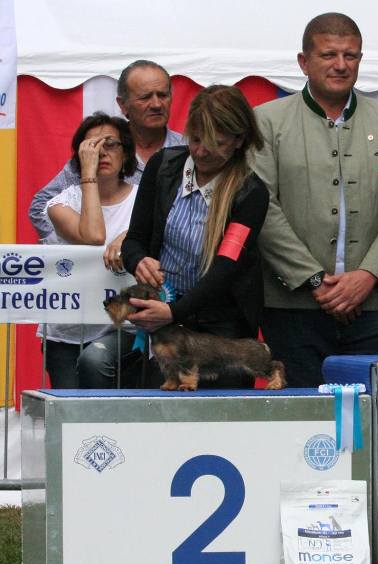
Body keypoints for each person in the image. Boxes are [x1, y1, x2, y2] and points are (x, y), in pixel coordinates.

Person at [252, 12, 378, 387]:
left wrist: (367, 276)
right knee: (303, 428)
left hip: (375, 306)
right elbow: (262, 208)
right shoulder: (267, 121)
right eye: (329, 55)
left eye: (351, 56)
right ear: (303, 62)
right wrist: (314, 281)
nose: (341, 65)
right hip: (293, 308)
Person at [122, 85, 268, 388]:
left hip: (222, 332)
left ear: (239, 141)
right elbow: (133, 241)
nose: (200, 151)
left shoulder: (251, 193)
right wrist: (139, 261)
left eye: (215, 143)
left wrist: (173, 311)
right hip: (167, 326)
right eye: (196, 139)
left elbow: (226, 268)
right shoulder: (162, 167)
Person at [29, 60, 184, 244]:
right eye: (145, 97)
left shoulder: (189, 151)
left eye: (163, 95)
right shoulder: (97, 150)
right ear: (123, 105)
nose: (157, 104)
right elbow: (41, 206)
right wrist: (71, 247)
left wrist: (132, 240)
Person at [41, 113, 141, 388]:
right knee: (72, 417)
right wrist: (88, 175)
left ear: (127, 152)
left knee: (98, 369)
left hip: (125, 326)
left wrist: (129, 236)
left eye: (111, 144)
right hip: (67, 332)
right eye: (92, 146)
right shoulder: (60, 203)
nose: (101, 152)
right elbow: (94, 236)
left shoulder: (144, 199)